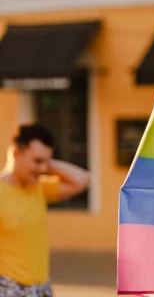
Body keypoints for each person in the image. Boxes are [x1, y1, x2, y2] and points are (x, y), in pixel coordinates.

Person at [0, 124, 91, 297]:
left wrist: (47, 163)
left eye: (46, 162)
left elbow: (83, 180)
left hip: (42, 291)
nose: (43, 169)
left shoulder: (39, 187)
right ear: (15, 153)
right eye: (37, 161)